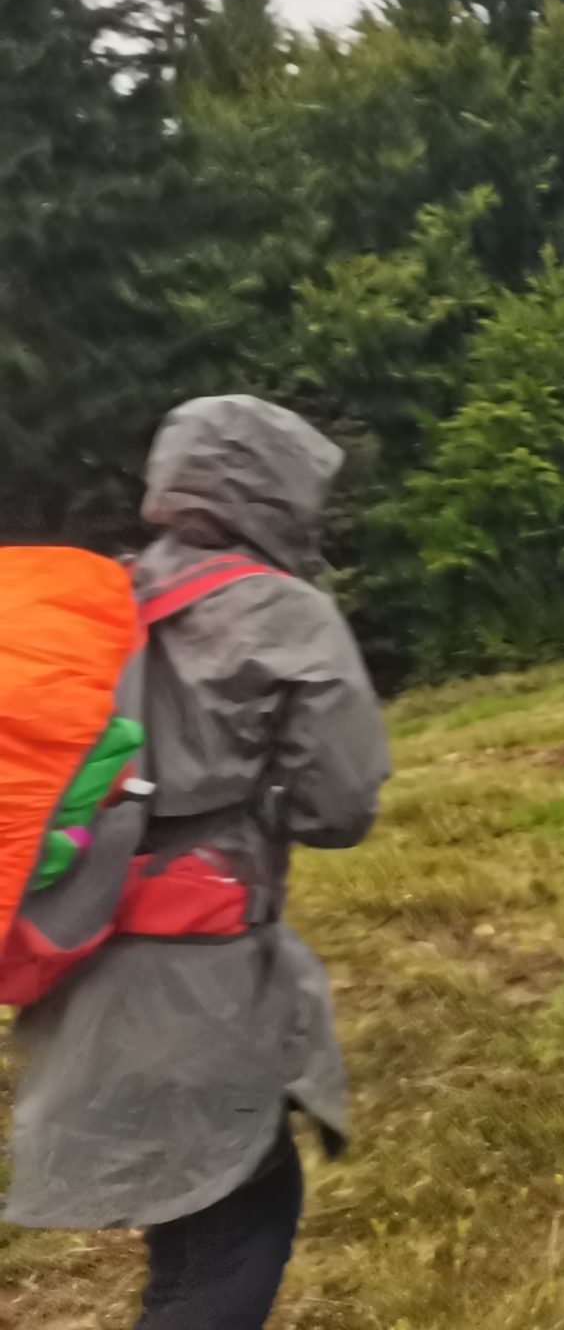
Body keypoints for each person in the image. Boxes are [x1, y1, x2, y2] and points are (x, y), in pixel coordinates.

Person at [6, 395, 392, 1330]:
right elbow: (339, 807)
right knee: (237, 1228)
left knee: (190, 1226)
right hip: (198, 974)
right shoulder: (285, 614)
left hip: (74, 945)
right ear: (280, 492)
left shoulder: (96, 599)